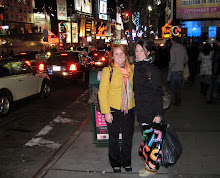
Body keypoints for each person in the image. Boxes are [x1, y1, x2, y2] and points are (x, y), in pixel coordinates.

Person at [98, 44, 135, 173]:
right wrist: (107, 112)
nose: (120, 56)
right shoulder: (108, 71)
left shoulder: (132, 69)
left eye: (122, 53)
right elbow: (102, 93)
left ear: (126, 55)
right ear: (112, 56)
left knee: (127, 138)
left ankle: (126, 161)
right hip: (113, 109)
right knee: (113, 139)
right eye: (117, 54)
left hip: (129, 108)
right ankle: (115, 163)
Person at [133, 40, 164, 177]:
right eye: (137, 50)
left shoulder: (153, 70)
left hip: (151, 111)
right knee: (147, 139)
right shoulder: (137, 67)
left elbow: (158, 93)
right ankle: (148, 164)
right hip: (141, 110)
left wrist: (158, 114)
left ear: (149, 52)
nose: (139, 53)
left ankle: (151, 168)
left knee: (153, 141)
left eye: (142, 50)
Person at [169, 36, 188, 105]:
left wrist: (170, 64)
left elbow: (173, 60)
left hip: (174, 69)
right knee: (179, 85)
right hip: (181, 69)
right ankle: (178, 97)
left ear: (173, 41)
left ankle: (177, 97)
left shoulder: (173, 48)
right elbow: (186, 59)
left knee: (172, 85)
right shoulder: (183, 48)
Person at [207, 37, 220, 104]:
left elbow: (215, 63)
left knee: (214, 87)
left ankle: (213, 100)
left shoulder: (217, 51)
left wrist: (214, 73)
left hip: (218, 72)